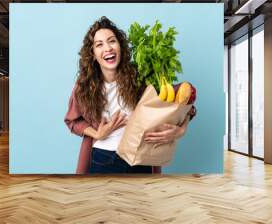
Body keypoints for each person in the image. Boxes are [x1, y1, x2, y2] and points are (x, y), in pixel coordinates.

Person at [64, 16, 196, 174]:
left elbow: (185, 105)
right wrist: (98, 133)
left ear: (120, 46)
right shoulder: (84, 85)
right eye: (99, 44)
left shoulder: (140, 76)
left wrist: (181, 130)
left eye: (112, 41)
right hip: (102, 158)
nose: (108, 48)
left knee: (142, 199)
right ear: (92, 53)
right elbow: (72, 120)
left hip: (140, 158)